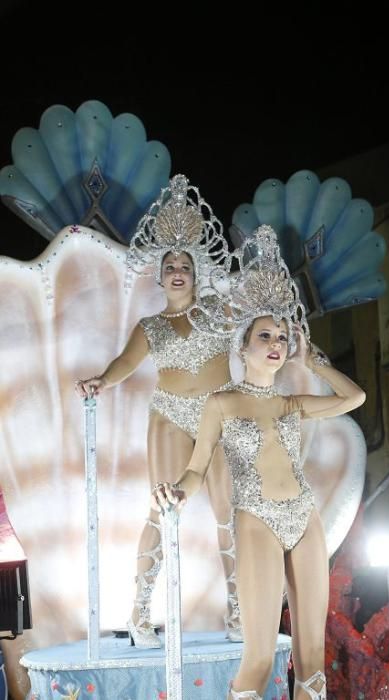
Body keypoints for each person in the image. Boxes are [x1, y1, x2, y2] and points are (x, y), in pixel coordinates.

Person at [153, 225, 366, 699]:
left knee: (312, 659)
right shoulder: (222, 403)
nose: (275, 343)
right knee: (261, 656)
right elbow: (197, 466)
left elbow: (355, 397)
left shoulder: (291, 402)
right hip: (256, 521)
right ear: (243, 345)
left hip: (302, 516)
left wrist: (314, 363)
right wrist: (179, 493)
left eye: (283, 337)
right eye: (265, 335)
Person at [75, 174, 241, 648]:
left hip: (219, 416)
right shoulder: (150, 325)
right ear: (160, 274)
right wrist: (101, 381)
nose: (176, 269)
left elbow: (255, 335)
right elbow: (125, 363)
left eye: (184, 263)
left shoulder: (218, 312)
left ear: (195, 271)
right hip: (169, 417)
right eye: (168, 264)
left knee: (228, 511)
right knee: (163, 511)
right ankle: (140, 617)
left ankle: (239, 611)